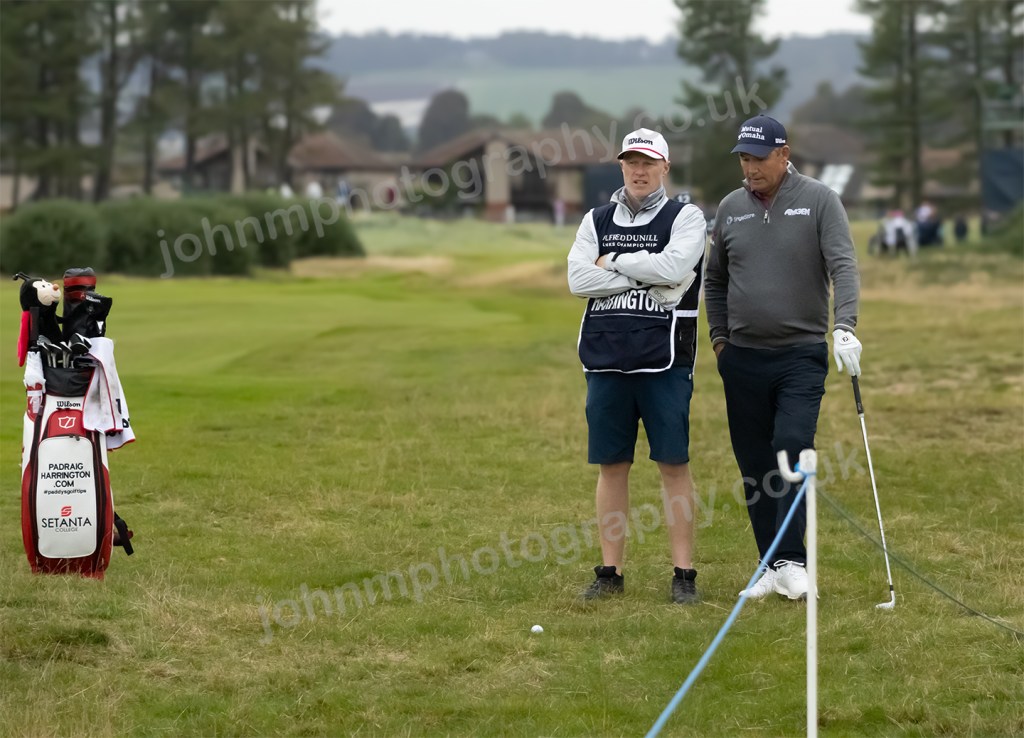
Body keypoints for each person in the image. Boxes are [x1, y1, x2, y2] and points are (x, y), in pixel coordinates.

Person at [705, 114, 862, 601]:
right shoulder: (731, 208)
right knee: (754, 465)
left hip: (799, 355)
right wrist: (719, 341)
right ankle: (770, 564)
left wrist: (844, 327)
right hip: (743, 357)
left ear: (784, 154)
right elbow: (715, 280)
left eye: (758, 158)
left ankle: (793, 561)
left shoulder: (819, 200)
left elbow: (844, 266)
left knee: (791, 446)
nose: (750, 167)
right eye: (744, 159)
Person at [567, 128, 708, 604]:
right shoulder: (595, 218)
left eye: (648, 162)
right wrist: (642, 272)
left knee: (673, 464)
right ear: (621, 166)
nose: (639, 170)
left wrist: (613, 264)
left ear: (665, 167)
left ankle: (683, 574)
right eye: (631, 161)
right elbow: (576, 277)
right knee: (611, 466)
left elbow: (675, 270)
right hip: (606, 359)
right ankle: (610, 572)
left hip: (664, 361)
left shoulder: (685, 216)